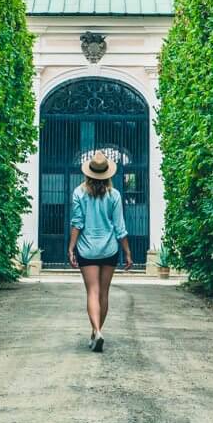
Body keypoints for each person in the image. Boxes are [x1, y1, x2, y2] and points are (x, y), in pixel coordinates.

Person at [68, 149, 133, 352]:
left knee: (92, 292)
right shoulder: (114, 195)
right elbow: (120, 227)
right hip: (109, 249)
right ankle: (97, 331)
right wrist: (127, 253)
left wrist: (71, 248)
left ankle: (96, 331)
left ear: (88, 173)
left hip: (87, 250)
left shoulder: (79, 193)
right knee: (104, 293)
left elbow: (77, 223)